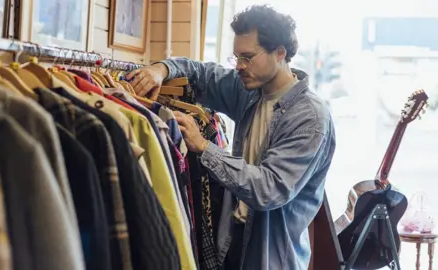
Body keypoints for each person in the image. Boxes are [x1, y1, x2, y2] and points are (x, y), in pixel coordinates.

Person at [126, 4, 336, 270]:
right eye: (236, 57)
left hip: (272, 257)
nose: (239, 66)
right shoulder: (250, 90)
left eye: (248, 57)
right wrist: (160, 70)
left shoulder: (310, 118)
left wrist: (204, 147)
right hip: (233, 240)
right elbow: (200, 73)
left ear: (280, 53)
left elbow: (268, 190)